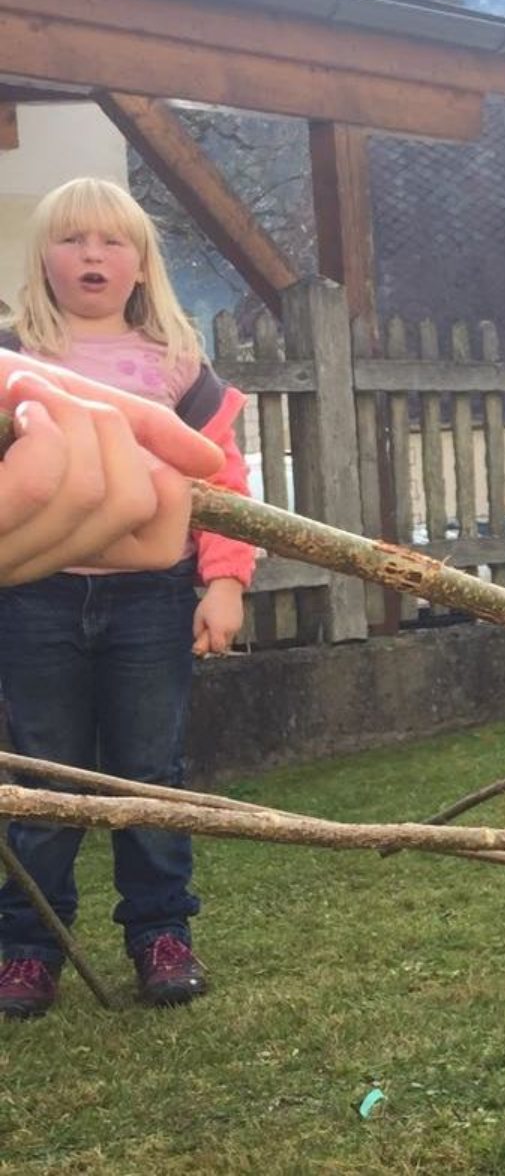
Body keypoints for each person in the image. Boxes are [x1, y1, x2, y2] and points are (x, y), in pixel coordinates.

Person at [0, 178, 256, 1019]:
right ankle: (29, 947)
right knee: (43, 771)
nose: (92, 256)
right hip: (37, 592)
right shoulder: (15, 356)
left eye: (112, 242)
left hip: (150, 596)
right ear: (44, 258)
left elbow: (224, 481)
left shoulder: (176, 365)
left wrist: (223, 581)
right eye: (72, 240)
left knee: (150, 770)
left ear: (141, 262)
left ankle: (161, 934)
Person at [0, 349, 223, 585]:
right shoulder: (16, 342)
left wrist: (224, 576)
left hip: (148, 582)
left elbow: (221, 465)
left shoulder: (181, 362)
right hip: (44, 586)